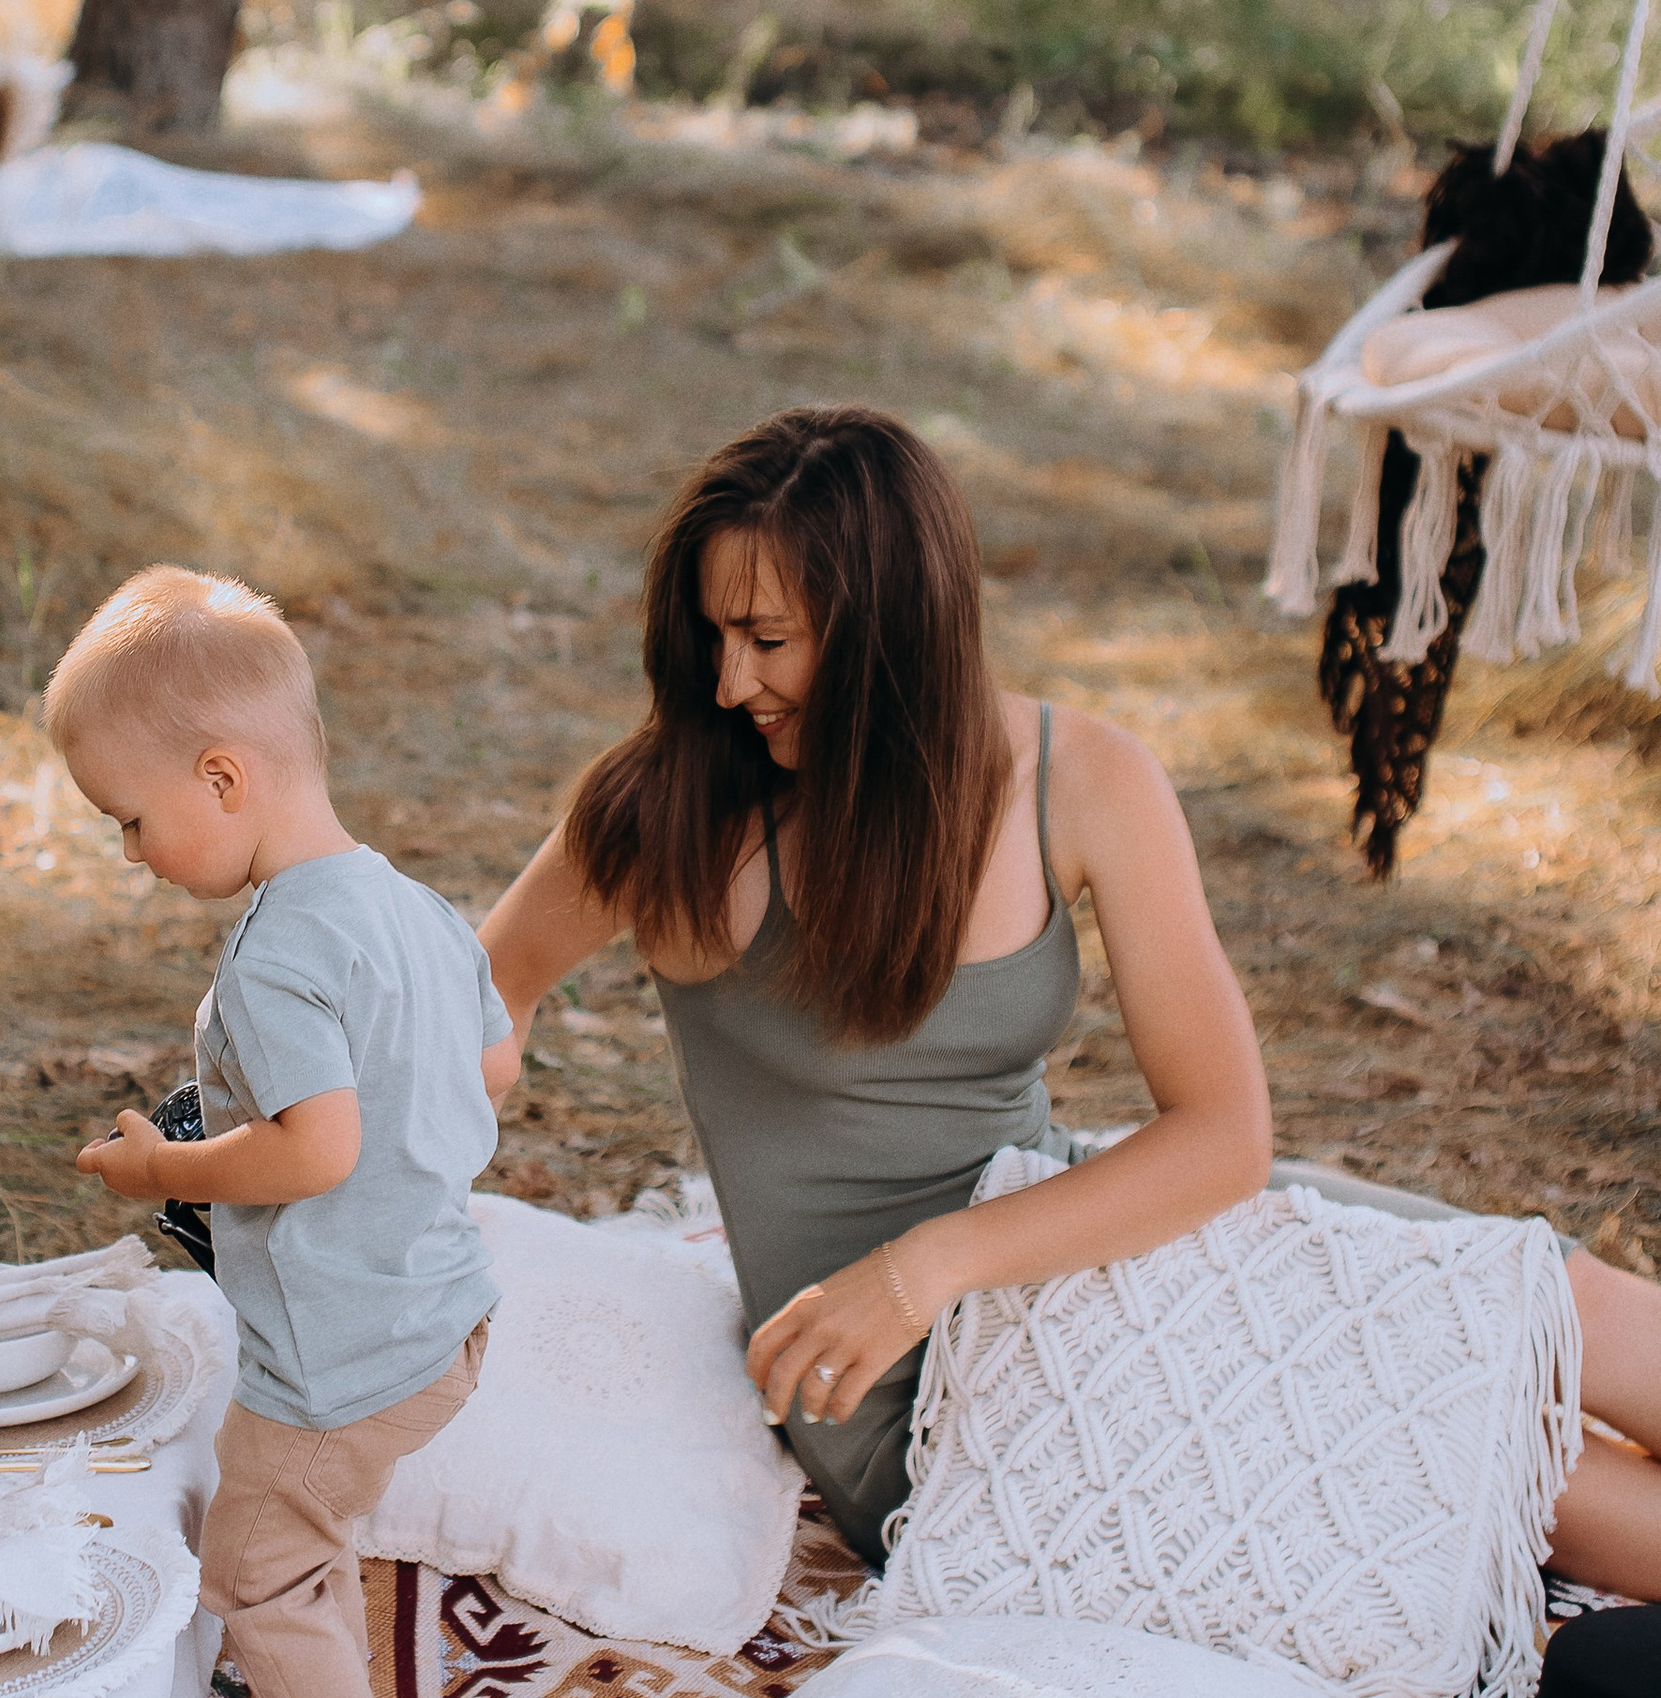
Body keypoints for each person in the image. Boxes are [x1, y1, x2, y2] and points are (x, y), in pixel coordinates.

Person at [479, 405, 1661, 1594]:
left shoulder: (1078, 778)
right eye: (712, 634)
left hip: (1057, 1244)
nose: (730, 681)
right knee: (1510, 1462)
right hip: (926, 1403)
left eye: (768, 639)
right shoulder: (662, 812)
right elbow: (483, 996)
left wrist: (926, 1262)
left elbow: (1222, 1135)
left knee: (1552, 1304)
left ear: (889, 630)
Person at [50, 565, 518, 1698]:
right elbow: (490, 1071)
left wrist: (161, 1171)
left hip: (342, 1349)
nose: (128, 852)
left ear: (221, 778)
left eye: (130, 822)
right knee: (296, 1548)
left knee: (255, 1563)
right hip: (438, 1306)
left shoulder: (274, 956)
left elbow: (318, 1149)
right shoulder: (415, 909)